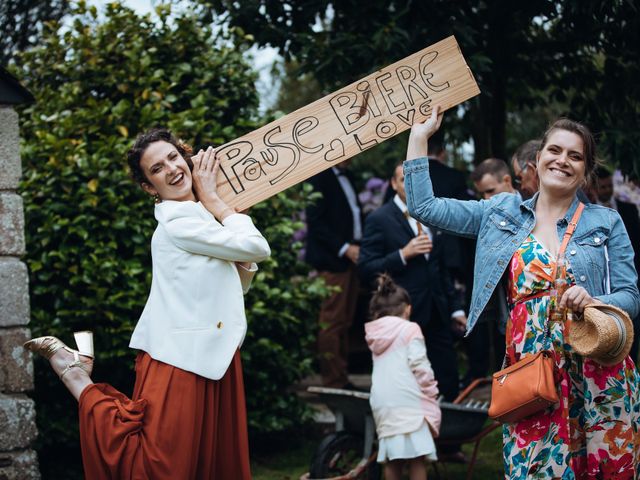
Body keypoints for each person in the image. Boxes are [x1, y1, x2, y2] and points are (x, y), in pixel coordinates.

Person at [405, 107, 640, 478]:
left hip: (598, 371)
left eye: (575, 156)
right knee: (534, 469)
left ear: (585, 169)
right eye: (555, 151)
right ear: (538, 159)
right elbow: (424, 207)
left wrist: (596, 300)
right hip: (532, 372)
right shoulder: (500, 212)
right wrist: (419, 137)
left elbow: (630, 295)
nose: (563, 161)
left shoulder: (606, 221)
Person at [23, 129, 271, 479]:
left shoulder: (196, 216)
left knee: (210, 467)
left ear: (187, 157)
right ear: (149, 187)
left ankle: (78, 371)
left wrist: (221, 215)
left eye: (173, 157)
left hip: (214, 357)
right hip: (179, 360)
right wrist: (216, 199)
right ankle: (76, 376)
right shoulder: (179, 220)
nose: (171, 169)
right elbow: (259, 247)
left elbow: (228, 284)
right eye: (157, 169)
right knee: (159, 469)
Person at [358, 161, 465, 401]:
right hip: (402, 314)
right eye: (403, 179)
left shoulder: (432, 213)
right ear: (393, 184)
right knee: (409, 383)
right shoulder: (379, 219)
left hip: (437, 312)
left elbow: (440, 268)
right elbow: (365, 269)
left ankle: (449, 435)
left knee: (447, 380)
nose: (410, 183)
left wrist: (456, 308)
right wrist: (402, 255)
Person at [365, 274, 441, 480]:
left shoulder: (374, 333)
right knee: (417, 458)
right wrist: (431, 390)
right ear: (407, 308)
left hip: (383, 403)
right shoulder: (410, 328)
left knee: (393, 458)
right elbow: (419, 365)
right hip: (408, 401)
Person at [305, 160, 363, 389]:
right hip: (332, 261)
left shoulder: (348, 176)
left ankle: (341, 377)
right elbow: (316, 223)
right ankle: (332, 381)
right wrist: (344, 248)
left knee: (345, 320)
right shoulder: (320, 178)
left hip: (351, 258)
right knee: (331, 322)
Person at [595, 166, 640, 363]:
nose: (606, 190)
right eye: (602, 186)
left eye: (608, 186)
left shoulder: (628, 208)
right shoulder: (589, 213)